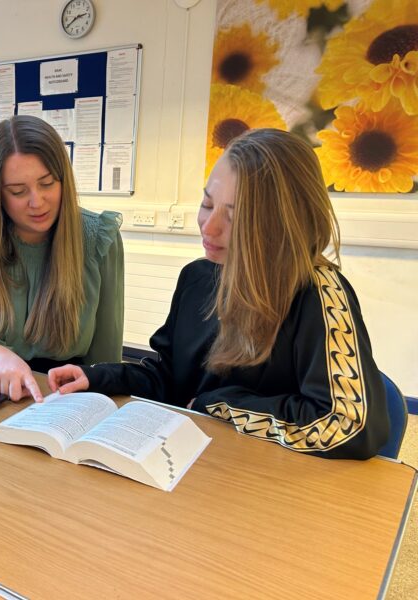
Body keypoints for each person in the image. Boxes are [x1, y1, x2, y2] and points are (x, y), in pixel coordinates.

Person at [48, 128, 389, 459]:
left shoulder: (318, 293)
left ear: (283, 225)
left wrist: (222, 405)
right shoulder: (197, 277)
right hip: (194, 461)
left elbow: (348, 424)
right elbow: (171, 378)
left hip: (262, 481)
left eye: (235, 216)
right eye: (207, 204)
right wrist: (97, 376)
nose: (208, 228)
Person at [0, 115, 124, 403]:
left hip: (64, 397)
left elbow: (106, 361)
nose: (37, 201)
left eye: (47, 183)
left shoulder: (97, 239)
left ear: (63, 180)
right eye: (18, 191)